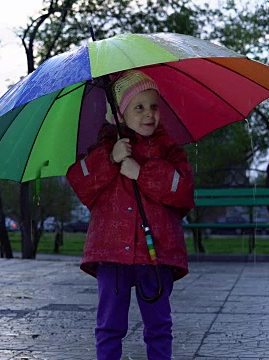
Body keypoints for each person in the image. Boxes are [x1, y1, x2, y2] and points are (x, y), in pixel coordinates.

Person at [66, 70, 195, 360]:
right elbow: (81, 184)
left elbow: (184, 192)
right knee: (109, 325)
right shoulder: (104, 148)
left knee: (159, 324)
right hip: (112, 252)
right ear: (120, 115)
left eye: (154, 106)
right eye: (139, 107)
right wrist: (109, 158)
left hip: (157, 252)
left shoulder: (169, 150)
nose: (149, 114)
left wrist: (143, 171)